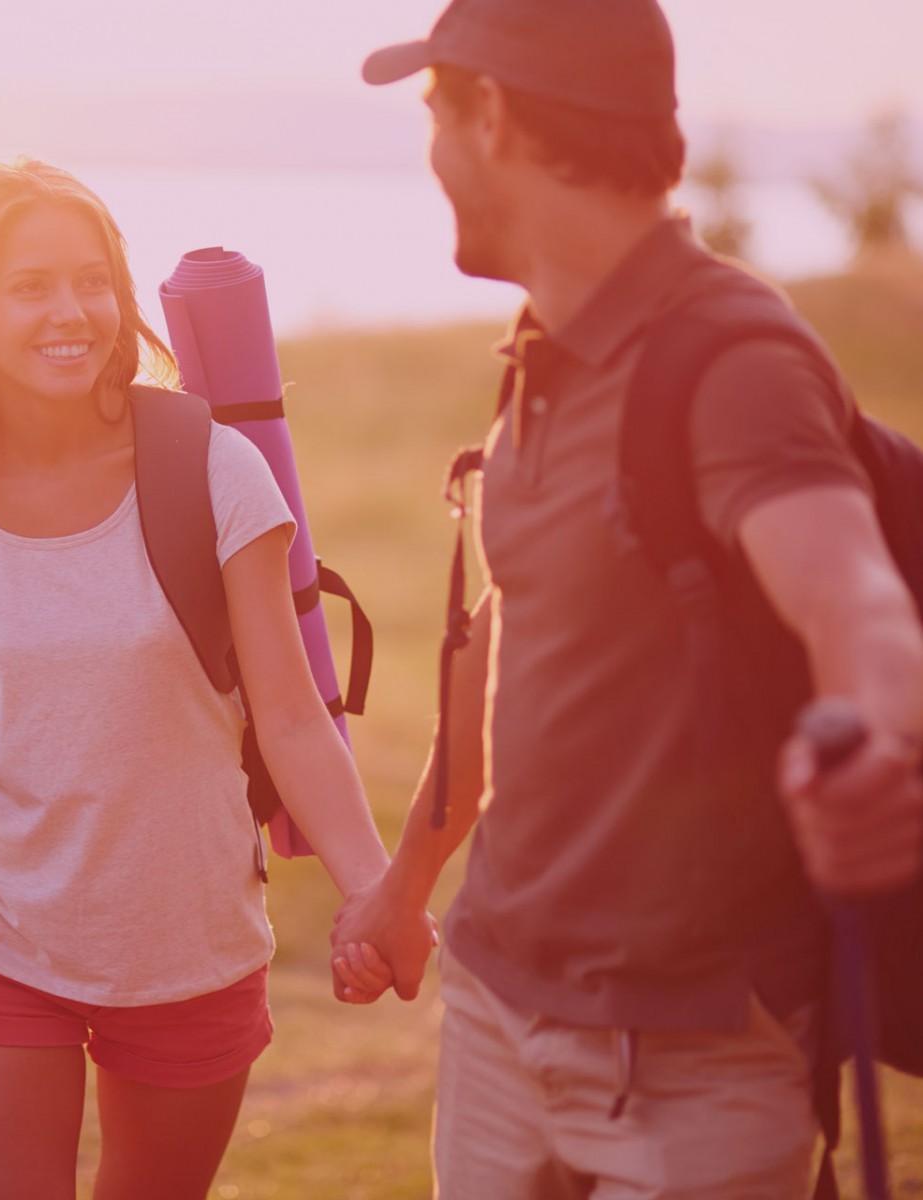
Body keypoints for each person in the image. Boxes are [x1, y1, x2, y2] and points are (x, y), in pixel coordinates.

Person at [330, 1, 923, 1196]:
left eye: (436, 117)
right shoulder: (545, 345)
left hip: (696, 1055)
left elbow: (852, 594)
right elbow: (513, 633)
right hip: (497, 1008)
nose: (432, 158)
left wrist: (880, 741)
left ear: (491, 116)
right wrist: (405, 890)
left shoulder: (732, 362)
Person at [0, 157, 391, 1200]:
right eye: (31, 285)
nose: (72, 311)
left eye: (92, 280)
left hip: (187, 941)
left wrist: (374, 893)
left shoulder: (211, 468)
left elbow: (289, 716)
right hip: (0, 928)